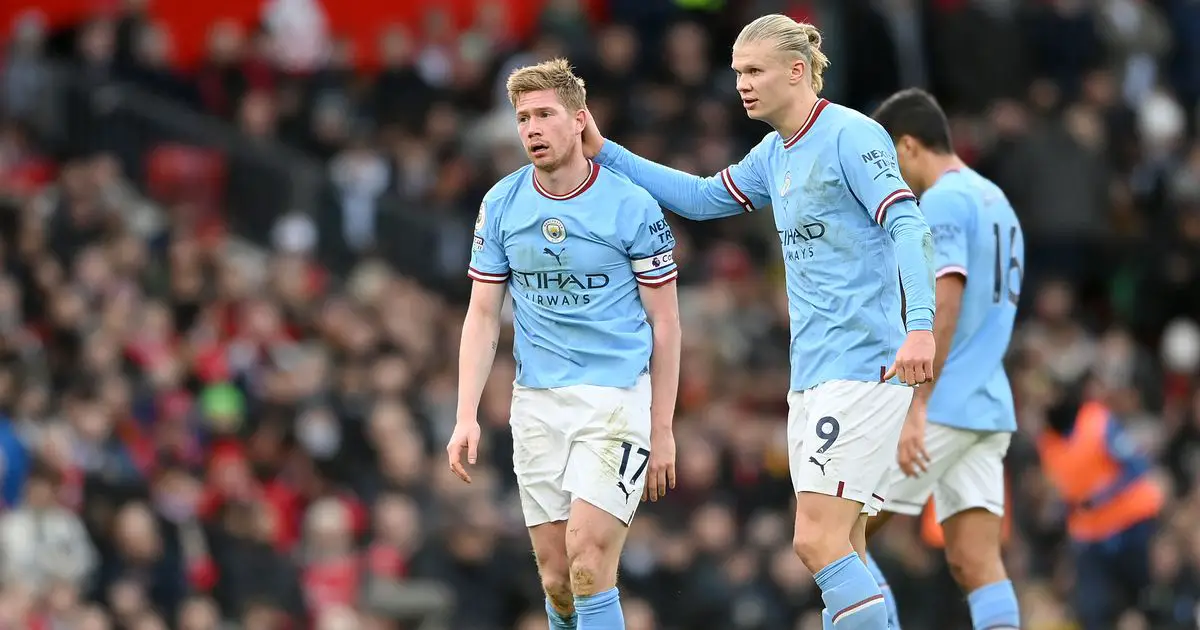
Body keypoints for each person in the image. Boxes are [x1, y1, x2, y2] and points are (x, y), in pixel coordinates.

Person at [580, 14, 934, 630]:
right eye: (737, 71)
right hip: (818, 373)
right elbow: (698, 197)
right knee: (846, 547)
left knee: (815, 543)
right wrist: (603, 153)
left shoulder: (853, 136)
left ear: (796, 72)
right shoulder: (775, 153)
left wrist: (921, 324)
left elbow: (909, 224)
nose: (740, 83)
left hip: (860, 367)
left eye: (753, 71)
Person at [446, 58, 682, 630]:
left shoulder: (631, 205)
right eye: (522, 117)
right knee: (556, 578)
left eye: (544, 114)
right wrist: (465, 415)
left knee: (588, 556)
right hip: (536, 402)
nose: (531, 127)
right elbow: (482, 315)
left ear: (579, 121)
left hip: (615, 400)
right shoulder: (501, 205)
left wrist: (662, 427)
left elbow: (667, 324)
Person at [861, 87, 1024, 630]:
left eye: (887, 162)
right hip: (987, 404)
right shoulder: (995, 200)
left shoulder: (943, 202)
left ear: (907, 146)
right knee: (974, 560)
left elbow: (946, 297)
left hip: (943, 404)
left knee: (835, 535)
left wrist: (917, 404)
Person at [1038, 379, 1163, 630]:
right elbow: (1065, 490)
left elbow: (1136, 466)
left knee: (1147, 601)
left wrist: (1101, 496)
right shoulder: (1047, 442)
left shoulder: (1098, 421)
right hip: (1090, 536)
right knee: (1093, 610)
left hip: (1130, 525)